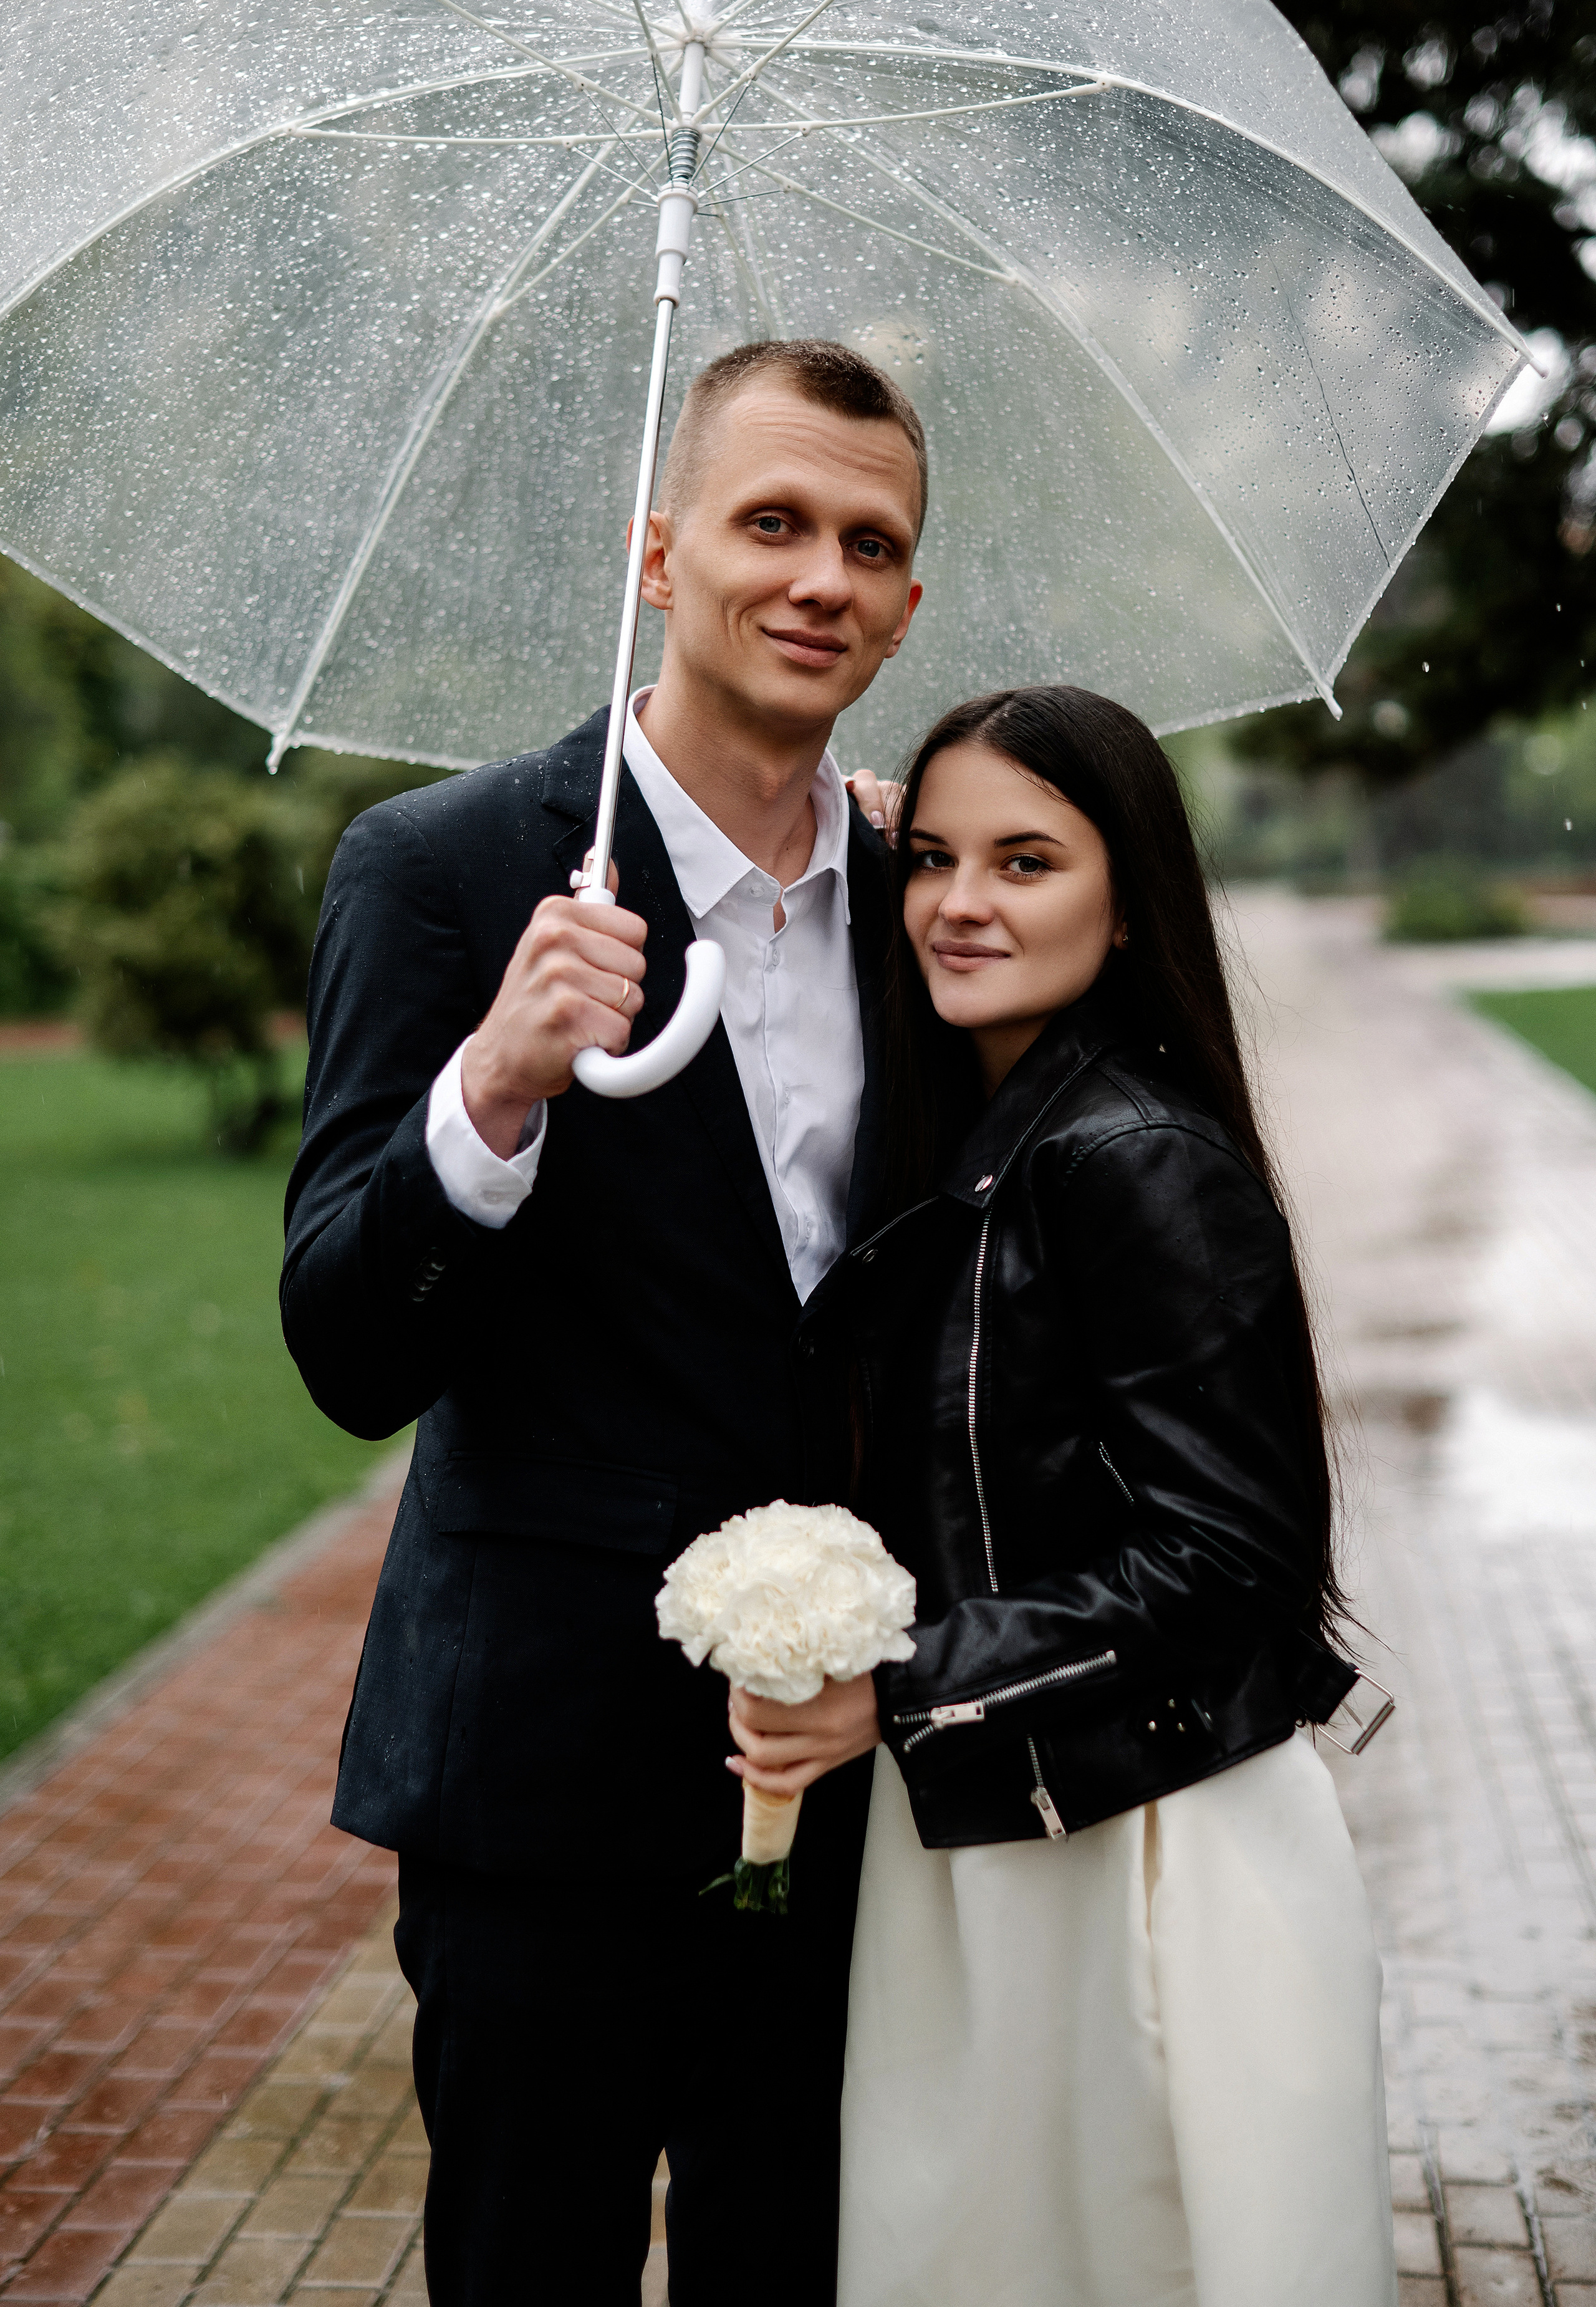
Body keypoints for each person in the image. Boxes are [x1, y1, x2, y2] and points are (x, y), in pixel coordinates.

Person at [281, 337, 922, 2306]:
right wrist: (491, 1091)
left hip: (838, 1787)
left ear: (905, 607)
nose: (820, 575)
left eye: (871, 542)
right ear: (661, 554)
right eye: (773, 521)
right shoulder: (448, 870)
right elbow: (344, 1346)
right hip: (537, 1787)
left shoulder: (926, 894)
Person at [728, 686, 1398, 2306]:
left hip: (1149, 1843)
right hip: (993, 1817)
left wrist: (905, 1684)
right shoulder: (984, 1133)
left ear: (1125, 895)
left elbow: (1231, 1553)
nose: (963, 903)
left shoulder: (1131, 1152)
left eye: (1027, 859)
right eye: (936, 858)